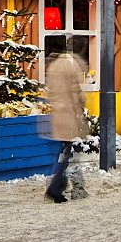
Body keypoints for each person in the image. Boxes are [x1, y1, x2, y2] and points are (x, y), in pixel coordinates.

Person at [44, 51, 90, 203]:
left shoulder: (53, 66)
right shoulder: (70, 66)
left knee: (68, 152)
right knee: (70, 154)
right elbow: (75, 93)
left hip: (57, 114)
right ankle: (57, 189)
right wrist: (80, 113)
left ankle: (75, 187)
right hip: (69, 114)